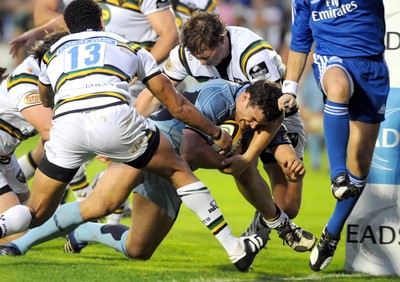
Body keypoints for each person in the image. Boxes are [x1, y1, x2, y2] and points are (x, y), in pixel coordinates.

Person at [0, 0, 281, 273]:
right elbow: (177, 105)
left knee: (35, 211)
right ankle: (234, 247)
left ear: (69, 28)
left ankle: (9, 228)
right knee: (178, 170)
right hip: (116, 121)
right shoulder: (129, 46)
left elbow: (46, 97)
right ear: (102, 21)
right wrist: (216, 132)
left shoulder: (54, 52)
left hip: (67, 128)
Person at [1, 79, 316, 269]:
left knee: (138, 250)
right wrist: (231, 162)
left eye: (259, 126)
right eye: (251, 120)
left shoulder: (260, 111)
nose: (252, 127)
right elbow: (191, 151)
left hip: (174, 172)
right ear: (244, 98)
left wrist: (247, 157)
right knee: (101, 204)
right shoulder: (216, 97)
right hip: (149, 144)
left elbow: (273, 121)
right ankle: (20, 243)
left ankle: (85, 234)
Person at [135, 11, 306, 236]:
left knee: (288, 206)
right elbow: (155, 94)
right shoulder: (185, 55)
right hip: (236, 118)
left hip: (275, 118)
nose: (203, 62)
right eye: (198, 57)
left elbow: (273, 112)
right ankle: (249, 242)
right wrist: (130, 127)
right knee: (242, 168)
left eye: (208, 55)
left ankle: (261, 226)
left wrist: (247, 158)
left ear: (223, 38)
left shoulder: (254, 57)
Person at [10, 0, 180, 223]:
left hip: (116, 79)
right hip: (100, 85)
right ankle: (95, 208)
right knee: (174, 168)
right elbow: (52, 15)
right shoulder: (37, 70)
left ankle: (102, 215)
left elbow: (170, 34)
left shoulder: (57, 55)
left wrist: (136, 70)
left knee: (33, 210)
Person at [278, 0, 389, 271]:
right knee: (337, 86)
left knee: (361, 163)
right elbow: (301, 39)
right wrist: (289, 88)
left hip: (371, 68)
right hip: (331, 59)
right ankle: (337, 175)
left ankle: (331, 233)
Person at [0, 29, 69, 245]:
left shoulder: (50, 76)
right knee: (13, 234)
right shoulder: (27, 82)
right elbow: (50, 132)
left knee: (27, 216)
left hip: (6, 155)